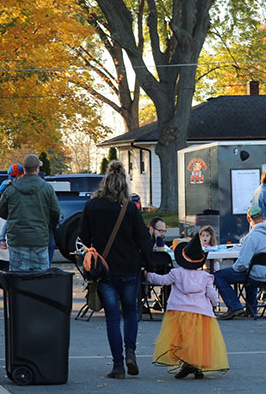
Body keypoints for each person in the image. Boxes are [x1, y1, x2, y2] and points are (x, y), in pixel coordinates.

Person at [79, 161, 155, 379]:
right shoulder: (129, 208)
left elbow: (83, 239)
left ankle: (118, 364)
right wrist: (149, 265)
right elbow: (143, 239)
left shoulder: (92, 206)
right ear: (123, 184)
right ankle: (131, 350)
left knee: (112, 316)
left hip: (104, 269)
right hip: (129, 267)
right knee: (130, 311)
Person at [148, 234, 229, 379]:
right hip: (201, 313)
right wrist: (215, 303)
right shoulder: (205, 277)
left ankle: (187, 364)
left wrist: (149, 275)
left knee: (182, 339)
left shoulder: (176, 274)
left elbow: (162, 281)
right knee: (199, 341)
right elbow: (211, 293)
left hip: (179, 311)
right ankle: (197, 366)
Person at [214, 205, 266, 320]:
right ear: (263, 216)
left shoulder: (251, 236)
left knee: (218, 276)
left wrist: (235, 268)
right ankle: (251, 309)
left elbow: (242, 264)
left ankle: (234, 306)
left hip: (255, 275)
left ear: (248, 219)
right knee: (251, 271)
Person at [0, 154, 60, 271]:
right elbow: (55, 212)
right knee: (41, 280)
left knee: (19, 281)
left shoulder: (11, 189)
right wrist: (48, 226)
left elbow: (1, 211)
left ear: (24, 169)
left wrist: (13, 217)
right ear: (37, 169)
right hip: (40, 238)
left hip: (17, 239)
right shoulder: (47, 188)